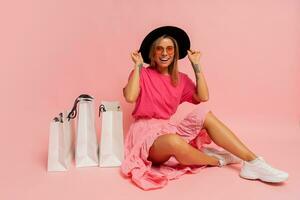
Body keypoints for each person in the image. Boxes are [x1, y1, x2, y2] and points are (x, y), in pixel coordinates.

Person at [120, 26, 288, 190]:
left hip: (167, 129)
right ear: (153, 53)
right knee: (173, 141)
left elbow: (203, 97)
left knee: (204, 113)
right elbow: (130, 97)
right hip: (144, 136)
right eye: (160, 49)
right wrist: (138, 66)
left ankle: (254, 162)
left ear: (175, 53)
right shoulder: (142, 73)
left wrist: (196, 66)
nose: (165, 53)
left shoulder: (181, 79)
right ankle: (218, 160)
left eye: (170, 49)